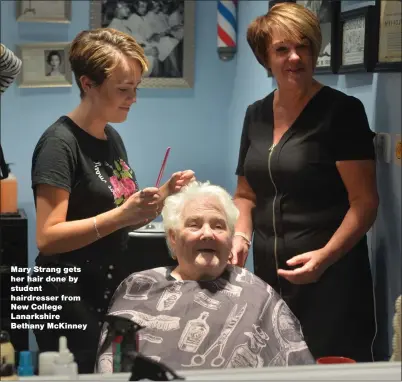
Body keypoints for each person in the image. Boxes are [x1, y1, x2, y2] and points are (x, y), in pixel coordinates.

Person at [30, 28, 195, 373]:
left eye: (135, 88)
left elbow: (118, 214)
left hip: (107, 288)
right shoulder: (58, 145)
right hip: (64, 294)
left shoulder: (111, 137)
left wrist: (161, 196)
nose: (133, 98)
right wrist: (121, 217)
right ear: (88, 84)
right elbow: (47, 237)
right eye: (123, 89)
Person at [231, 2, 378, 362]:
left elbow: (365, 202)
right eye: (282, 49)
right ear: (266, 58)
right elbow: (245, 194)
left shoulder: (342, 112)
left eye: (305, 46)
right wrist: (239, 237)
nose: (295, 57)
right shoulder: (256, 114)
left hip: (331, 278)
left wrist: (325, 259)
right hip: (269, 276)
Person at [96, 181, 315, 372]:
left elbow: (297, 368)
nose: (208, 233)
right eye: (194, 224)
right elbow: (114, 368)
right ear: (172, 237)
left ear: (230, 239)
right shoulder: (138, 288)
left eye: (219, 226)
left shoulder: (259, 295)